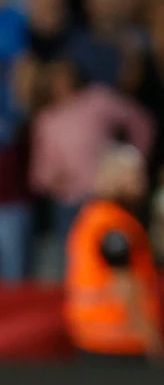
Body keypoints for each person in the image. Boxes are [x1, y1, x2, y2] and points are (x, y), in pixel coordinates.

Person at [64, 145, 163, 364]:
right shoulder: (112, 223)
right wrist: (151, 338)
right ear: (111, 177)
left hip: (91, 335)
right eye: (133, 176)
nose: (141, 183)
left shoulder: (92, 216)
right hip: (119, 340)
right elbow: (125, 284)